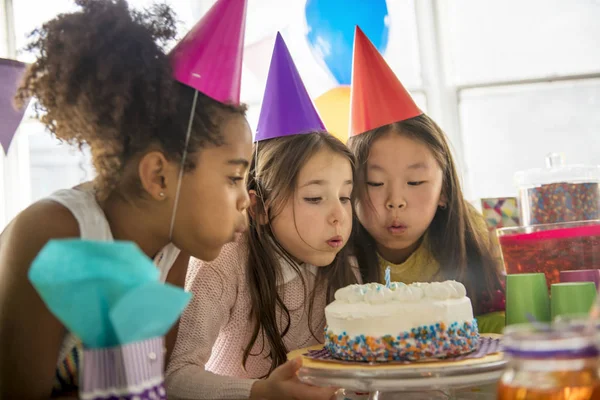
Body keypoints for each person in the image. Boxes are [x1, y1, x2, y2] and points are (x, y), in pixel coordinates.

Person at [0, 0, 252, 397]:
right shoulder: (54, 234)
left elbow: (146, 386)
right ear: (159, 176)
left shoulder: (172, 248)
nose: (246, 200)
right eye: (234, 177)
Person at [166, 34, 357, 400]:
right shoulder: (224, 264)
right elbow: (175, 377)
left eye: (346, 197)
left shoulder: (346, 267)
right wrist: (261, 392)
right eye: (315, 198)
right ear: (260, 207)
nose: (338, 216)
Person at [347, 27, 505, 333]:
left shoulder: (472, 238)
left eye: (415, 182)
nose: (395, 200)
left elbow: (497, 323)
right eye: (375, 183)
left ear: (444, 190)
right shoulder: (336, 250)